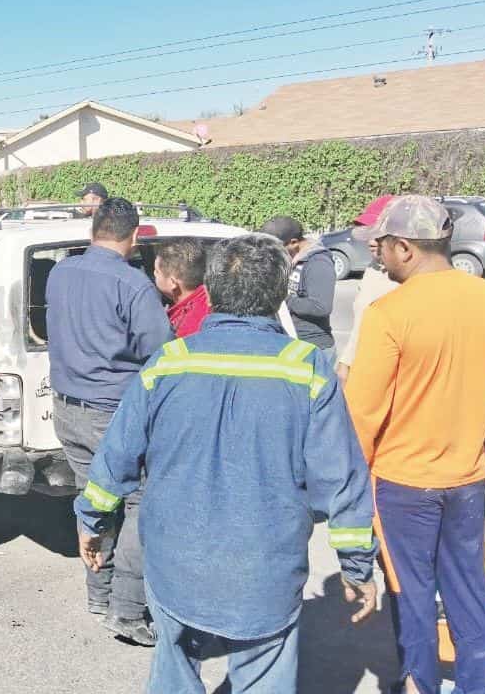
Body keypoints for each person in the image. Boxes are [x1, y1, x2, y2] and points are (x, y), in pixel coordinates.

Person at [75, 234, 379, 693]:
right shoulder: (307, 368)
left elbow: (115, 458)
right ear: (279, 295)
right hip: (265, 567)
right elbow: (343, 480)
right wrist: (356, 568)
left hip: (174, 559)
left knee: (173, 665)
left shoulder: (167, 363)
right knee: (263, 674)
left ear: (211, 294)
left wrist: (92, 521)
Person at [344, 195, 485, 694]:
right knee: (469, 590)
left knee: (411, 596)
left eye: (383, 248)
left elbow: (362, 411)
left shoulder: (390, 313)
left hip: (404, 483)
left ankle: (420, 686)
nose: (379, 257)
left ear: (405, 248)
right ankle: (474, 685)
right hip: (467, 477)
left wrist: (349, 482)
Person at [46, 196, 173, 645]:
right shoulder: (134, 285)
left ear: (92, 229)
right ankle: (126, 609)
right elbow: (160, 355)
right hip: (113, 413)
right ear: (135, 237)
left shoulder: (61, 272)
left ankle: (98, 595)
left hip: (67, 409)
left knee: (94, 499)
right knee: (136, 503)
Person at [335, 195, 399, 385]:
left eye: (378, 233)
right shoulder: (373, 268)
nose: (371, 241)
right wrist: (345, 363)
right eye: (370, 232)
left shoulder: (413, 280)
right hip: (363, 372)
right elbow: (360, 325)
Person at [261, 216, 337, 355]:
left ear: (294, 242)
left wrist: (283, 299)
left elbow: (321, 307)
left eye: (275, 249)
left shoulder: (318, 262)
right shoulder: (289, 259)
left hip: (314, 347)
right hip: (290, 342)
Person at [152, 238, 211, 337]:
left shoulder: (188, 327)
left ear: (172, 283)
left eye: (157, 272)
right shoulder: (210, 300)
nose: (153, 274)